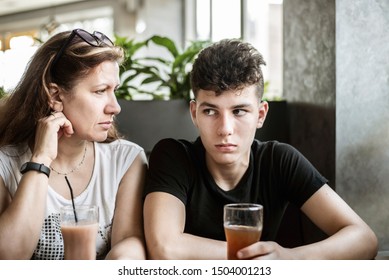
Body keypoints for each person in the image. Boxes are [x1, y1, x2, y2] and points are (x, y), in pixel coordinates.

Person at [143, 38, 378, 260]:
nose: (225, 129)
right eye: (211, 111)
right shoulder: (173, 156)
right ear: (194, 113)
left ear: (261, 114)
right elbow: (165, 247)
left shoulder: (279, 160)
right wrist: (257, 259)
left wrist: (290, 258)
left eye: (239, 111)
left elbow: (364, 239)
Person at [0, 29, 147, 260]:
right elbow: (9, 258)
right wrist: (40, 160)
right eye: (100, 91)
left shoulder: (126, 159)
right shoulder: (5, 165)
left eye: (114, 91)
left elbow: (129, 240)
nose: (115, 107)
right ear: (56, 96)